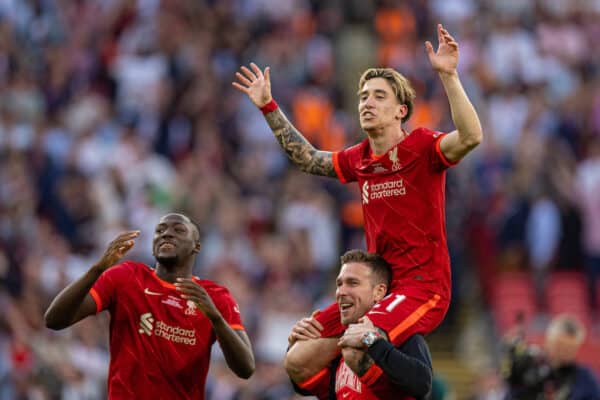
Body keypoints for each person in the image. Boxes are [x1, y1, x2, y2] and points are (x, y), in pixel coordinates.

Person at [233, 23, 482, 386]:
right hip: (373, 289)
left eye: (379, 96)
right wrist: (269, 106)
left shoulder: (422, 147)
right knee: (298, 361)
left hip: (421, 288)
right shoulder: (360, 157)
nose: (367, 102)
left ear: (401, 110)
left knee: (357, 344)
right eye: (364, 95)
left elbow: (472, 137)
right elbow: (307, 158)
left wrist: (449, 75)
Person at [44, 213, 255, 399]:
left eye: (178, 230)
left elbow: (246, 368)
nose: (166, 234)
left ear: (196, 246)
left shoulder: (215, 296)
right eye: (160, 230)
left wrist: (216, 318)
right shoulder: (126, 277)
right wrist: (97, 269)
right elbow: (54, 320)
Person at [288, 249, 432, 399]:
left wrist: (371, 340)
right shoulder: (340, 346)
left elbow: (423, 385)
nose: (341, 292)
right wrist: (296, 349)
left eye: (352, 283)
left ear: (378, 292)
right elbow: (306, 388)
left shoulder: (402, 337)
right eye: (339, 284)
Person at [504, 314, 600, 399]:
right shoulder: (527, 369)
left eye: (569, 348)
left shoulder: (585, 378)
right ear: (548, 340)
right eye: (559, 345)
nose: (563, 352)